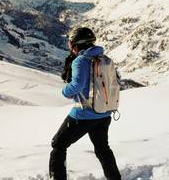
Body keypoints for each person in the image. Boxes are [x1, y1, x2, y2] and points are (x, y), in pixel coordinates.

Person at [50, 27, 122, 180]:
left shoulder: (81, 61)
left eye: (71, 43)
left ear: (77, 44)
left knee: (58, 145)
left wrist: (64, 91)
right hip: (104, 113)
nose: (70, 47)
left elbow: (77, 85)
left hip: (83, 115)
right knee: (103, 149)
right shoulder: (103, 58)